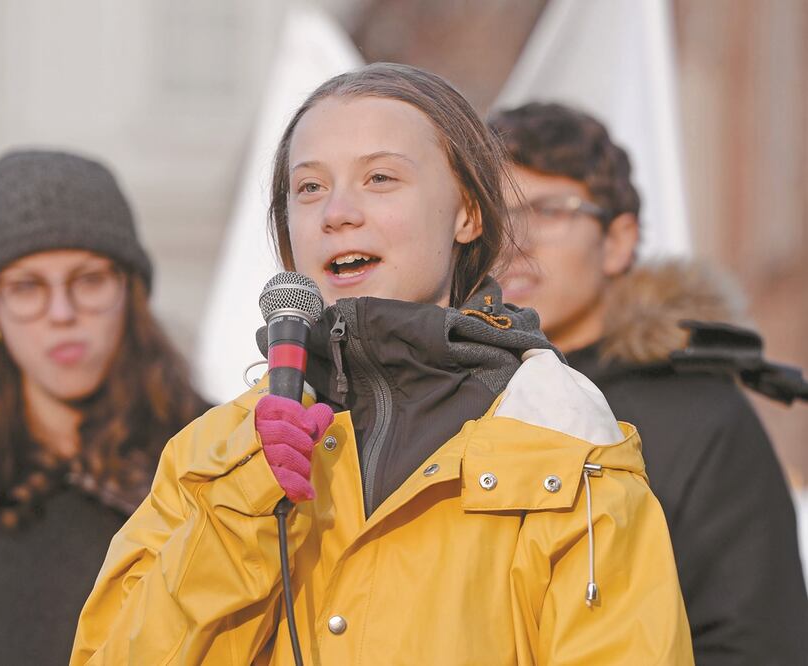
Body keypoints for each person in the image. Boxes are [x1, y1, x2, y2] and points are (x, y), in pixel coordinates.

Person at [71, 64, 692, 665]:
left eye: (380, 179)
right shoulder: (212, 456)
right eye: (309, 187)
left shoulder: (566, 442)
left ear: (468, 213)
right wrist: (240, 511)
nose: (336, 211)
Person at [487, 102, 808, 665]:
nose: (515, 240)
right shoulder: (453, 398)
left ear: (618, 240)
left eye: (549, 210)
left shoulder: (702, 413)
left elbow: (756, 642)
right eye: (496, 214)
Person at [0, 149, 209, 666]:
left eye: (89, 279)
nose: (61, 313)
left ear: (130, 293)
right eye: (27, 286)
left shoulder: (210, 468)